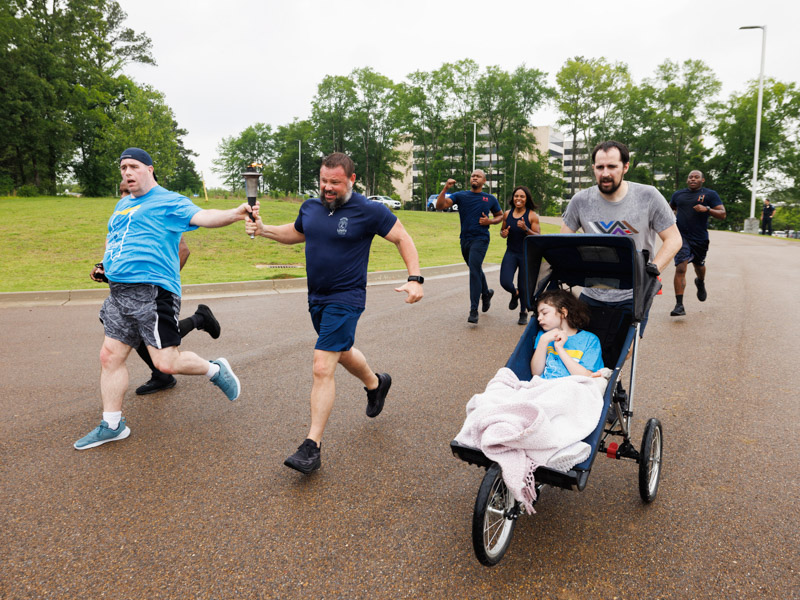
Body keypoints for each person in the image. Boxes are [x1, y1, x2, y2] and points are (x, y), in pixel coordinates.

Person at [245, 152, 423, 474]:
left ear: (351, 180)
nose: (328, 187)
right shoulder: (311, 208)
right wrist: (264, 228)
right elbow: (299, 232)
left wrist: (414, 279)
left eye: (335, 182)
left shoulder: (369, 211)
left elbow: (402, 237)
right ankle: (375, 383)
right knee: (340, 352)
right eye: (324, 181)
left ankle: (312, 446)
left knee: (321, 365)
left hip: (347, 297)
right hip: (317, 298)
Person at [74, 147, 251, 450]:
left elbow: (203, 215)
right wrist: (107, 265)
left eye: (133, 166)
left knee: (166, 363)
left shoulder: (168, 201)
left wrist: (235, 214)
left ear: (149, 169)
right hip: (119, 293)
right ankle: (112, 424)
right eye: (122, 168)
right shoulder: (122, 205)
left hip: (152, 292)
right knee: (110, 357)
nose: (127, 173)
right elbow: (115, 238)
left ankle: (215, 370)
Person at [90, 180, 223, 394]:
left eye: (127, 190)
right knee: (135, 334)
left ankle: (198, 323)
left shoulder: (158, 213)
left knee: (153, 336)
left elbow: (183, 250)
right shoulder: (124, 214)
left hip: (155, 290)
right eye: (122, 191)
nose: (124, 195)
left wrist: (158, 282)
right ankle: (162, 373)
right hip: (125, 291)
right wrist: (104, 267)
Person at [560, 140, 682, 335]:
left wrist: (652, 271)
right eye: (600, 167)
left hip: (633, 293)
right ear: (593, 168)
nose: (605, 173)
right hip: (592, 292)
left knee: (623, 352)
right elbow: (563, 243)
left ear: (625, 167)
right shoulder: (580, 201)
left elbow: (674, 239)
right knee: (583, 348)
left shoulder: (648, 196)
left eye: (612, 166)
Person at [437, 170, 503, 324]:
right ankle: (486, 293)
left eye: (478, 176)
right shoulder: (461, 196)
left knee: (474, 270)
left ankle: (474, 310)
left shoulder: (490, 198)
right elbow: (440, 206)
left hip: (481, 238)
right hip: (465, 239)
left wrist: (490, 222)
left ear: (484, 181)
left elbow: (500, 215)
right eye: (473, 175)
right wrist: (445, 188)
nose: (474, 177)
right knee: (476, 268)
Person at [668, 170, 726, 316]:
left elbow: (722, 214)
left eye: (696, 177)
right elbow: (669, 210)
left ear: (702, 180)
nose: (693, 179)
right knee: (680, 267)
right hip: (681, 237)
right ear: (687, 180)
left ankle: (700, 282)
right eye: (690, 177)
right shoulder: (678, 195)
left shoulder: (710, 194)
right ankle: (679, 305)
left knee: (699, 265)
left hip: (700, 238)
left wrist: (706, 209)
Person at [531, 289, 604, 378]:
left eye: (544, 313)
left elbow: (587, 376)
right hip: (546, 386)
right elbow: (536, 373)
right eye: (538, 314)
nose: (539, 318)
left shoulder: (590, 340)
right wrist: (543, 341)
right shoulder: (544, 336)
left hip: (574, 387)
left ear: (563, 312)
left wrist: (559, 348)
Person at [500, 185, 540, 326]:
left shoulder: (531, 216)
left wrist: (526, 229)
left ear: (526, 199)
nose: (518, 198)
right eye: (516, 196)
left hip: (526, 255)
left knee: (524, 285)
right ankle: (514, 293)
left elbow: (538, 236)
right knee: (504, 281)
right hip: (511, 252)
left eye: (522, 196)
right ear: (513, 198)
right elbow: (502, 231)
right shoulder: (507, 214)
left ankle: (523, 312)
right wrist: (503, 234)